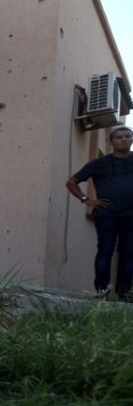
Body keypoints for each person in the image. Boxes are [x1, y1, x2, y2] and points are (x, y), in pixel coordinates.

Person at [66, 125, 133, 300]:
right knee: (105, 251)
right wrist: (86, 200)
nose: (124, 139)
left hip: (131, 216)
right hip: (106, 214)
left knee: (129, 253)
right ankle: (102, 292)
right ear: (111, 142)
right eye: (119, 137)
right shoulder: (99, 163)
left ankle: (124, 293)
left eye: (128, 136)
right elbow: (72, 182)